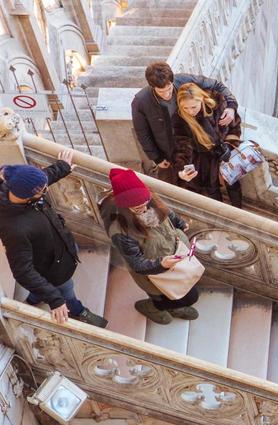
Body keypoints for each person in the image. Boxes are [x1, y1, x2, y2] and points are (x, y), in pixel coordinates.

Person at [0, 149, 108, 327]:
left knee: (45, 286)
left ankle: (35, 296)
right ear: (26, 196)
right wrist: (54, 299)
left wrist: (62, 167)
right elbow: (22, 271)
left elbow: (43, 178)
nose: (46, 189)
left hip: (57, 248)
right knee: (66, 291)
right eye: (42, 190)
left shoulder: (18, 186)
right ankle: (78, 310)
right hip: (51, 268)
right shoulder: (14, 229)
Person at [104, 167, 198, 324]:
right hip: (154, 272)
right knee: (165, 296)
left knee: (187, 292)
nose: (143, 207)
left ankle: (173, 306)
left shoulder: (151, 199)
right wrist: (160, 264)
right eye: (136, 206)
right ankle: (151, 307)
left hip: (174, 256)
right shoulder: (120, 230)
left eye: (145, 202)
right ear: (124, 206)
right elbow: (136, 263)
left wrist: (179, 223)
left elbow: (167, 212)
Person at [130, 62, 236, 184]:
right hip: (169, 154)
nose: (167, 95)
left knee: (209, 187)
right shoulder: (140, 102)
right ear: (152, 86)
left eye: (169, 89)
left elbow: (217, 85)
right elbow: (142, 133)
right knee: (171, 190)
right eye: (161, 92)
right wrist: (156, 157)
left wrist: (231, 106)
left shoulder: (185, 81)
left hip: (198, 148)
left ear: (172, 80)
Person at [171, 81, 243, 205]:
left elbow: (234, 126)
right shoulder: (179, 120)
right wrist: (181, 170)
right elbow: (182, 147)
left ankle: (239, 212)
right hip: (203, 160)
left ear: (202, 99)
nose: (190, 111)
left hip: (225, 152)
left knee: (233, 182)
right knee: (212, 189)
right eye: (185, 108)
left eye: (193, 107)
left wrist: (230, 144)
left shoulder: (218, 105)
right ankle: (221, 215)